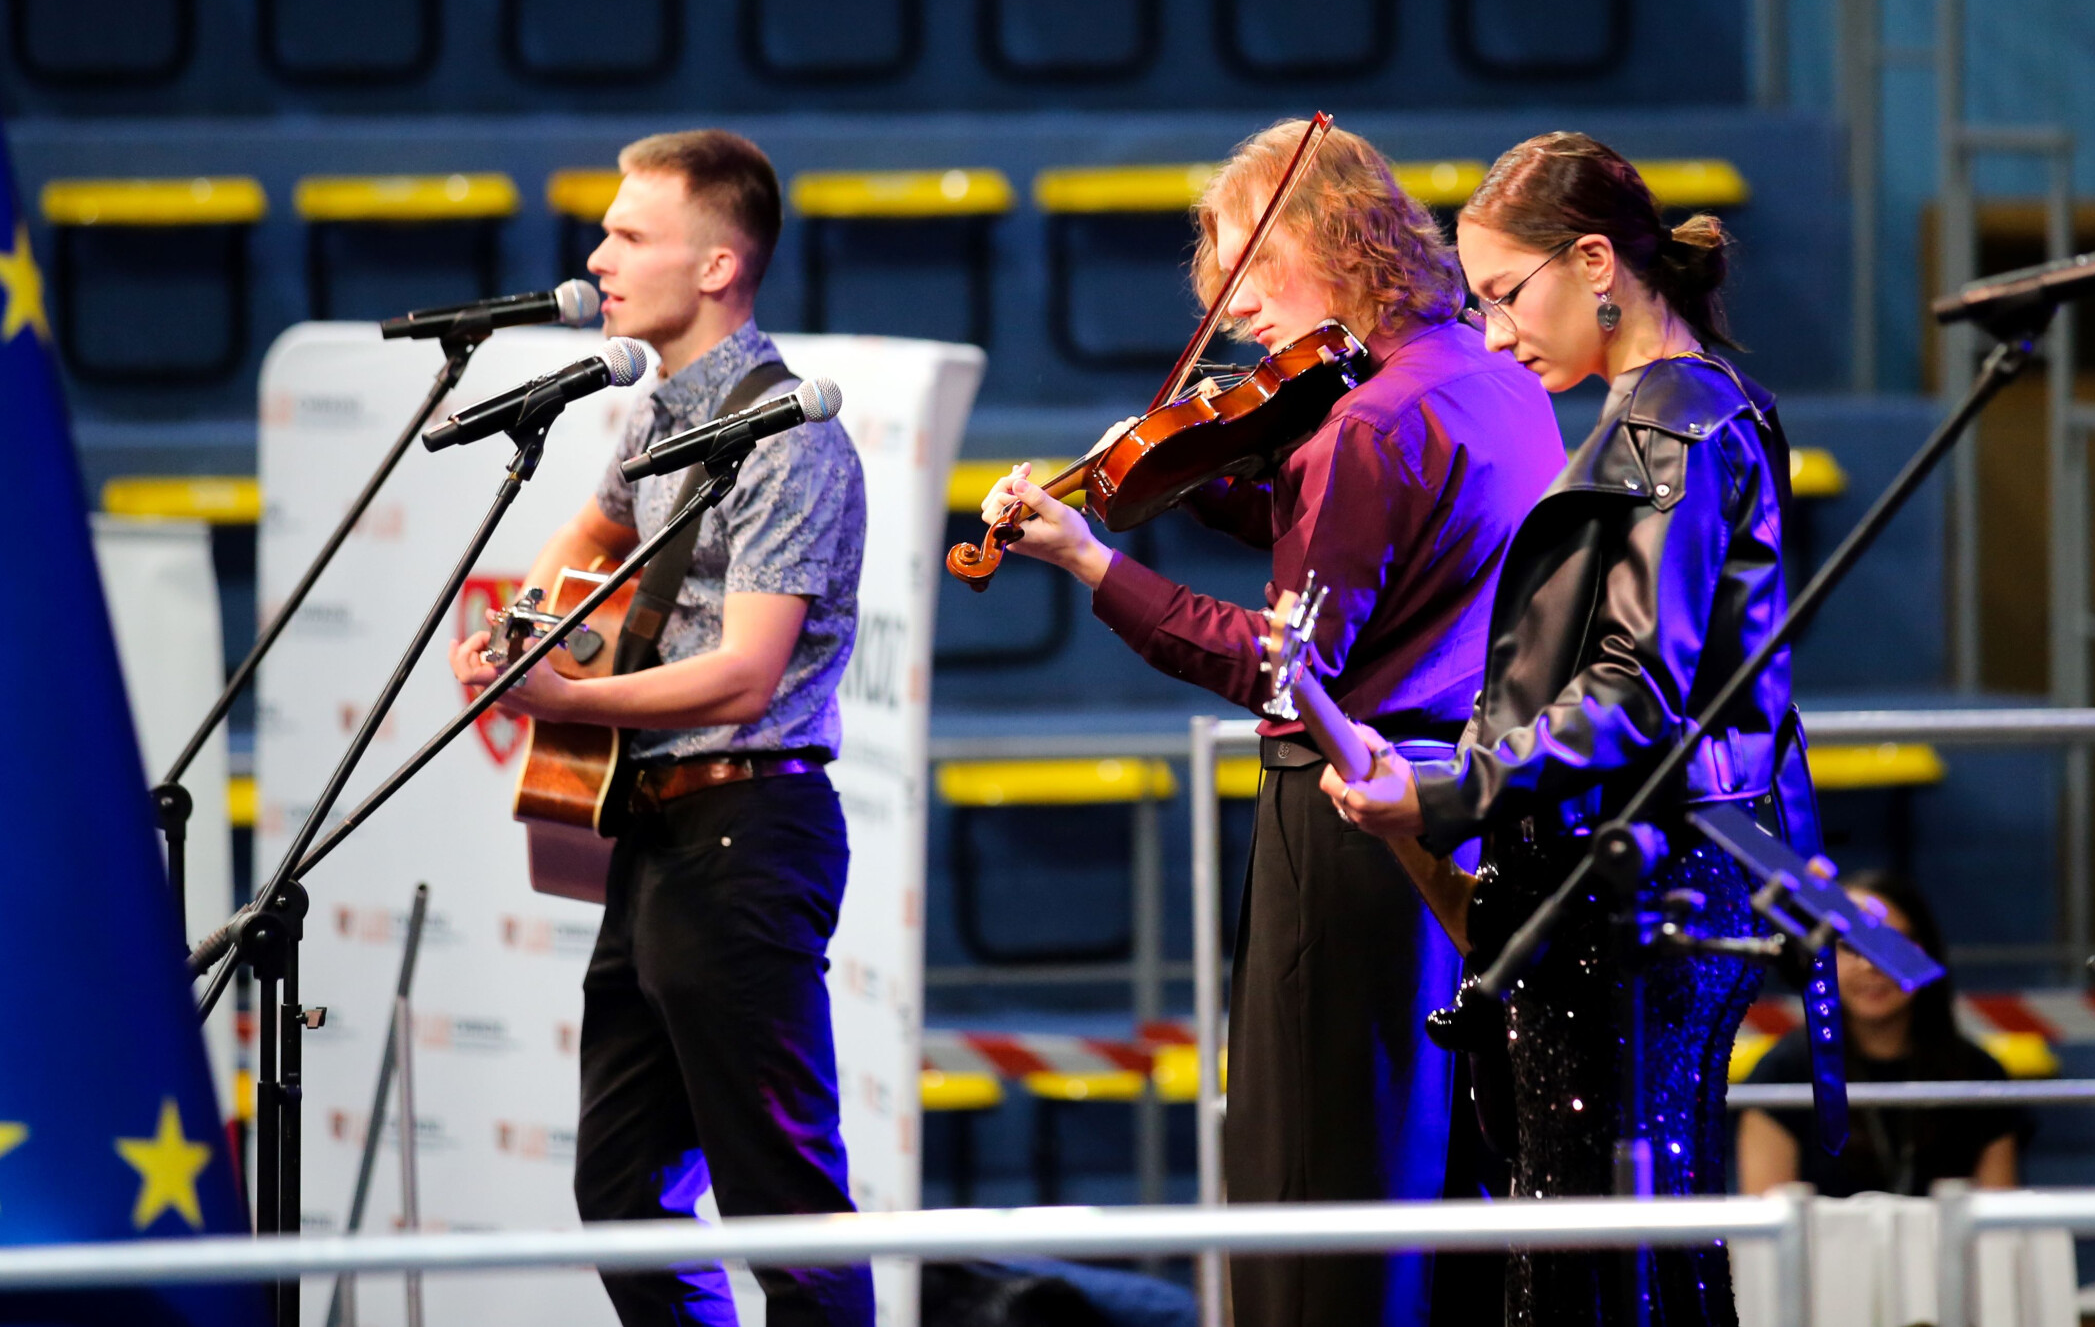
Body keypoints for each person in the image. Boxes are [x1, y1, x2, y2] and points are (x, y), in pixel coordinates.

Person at [979, 119, 1563, 1327]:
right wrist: (1203, 483)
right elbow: (1379, 555)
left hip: (1348, 823)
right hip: (1465, 801)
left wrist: (1093, 562)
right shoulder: (1492, 379)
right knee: (1433, 1175)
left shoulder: (1363, 427)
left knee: (1315, 1176)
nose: (1231, 304)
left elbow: (1287, 669)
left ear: (1336, 240)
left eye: (1251, 264)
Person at [1323, 131, 1836, 1327]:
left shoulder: (1671, 425)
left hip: (1636, 897)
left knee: (1600, 1264)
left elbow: (1634, 693)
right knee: (1621, 1251)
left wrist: (1444, 793)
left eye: (1505, 294)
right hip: (1641, 879)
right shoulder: (1685, 408)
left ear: (1595, 262)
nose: (1495, 334)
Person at [449, 129, 872, 1327]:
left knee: (782, 1197)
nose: (599, 259)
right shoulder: (654, 415)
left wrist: (568, 699)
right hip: (657, 834)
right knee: (623, 1190)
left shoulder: (789, 435)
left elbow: (744, 676)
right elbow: (594, 530)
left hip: (748, 827)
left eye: (630, 236)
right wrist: (526, 625)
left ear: (719, 266)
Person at [1738, 871, 2025, 1197]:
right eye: (1849, 946)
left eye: (1887, 944)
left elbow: (1997, 1216)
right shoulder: (1783, 1075)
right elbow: (1768, 1217)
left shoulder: (1979, 1076)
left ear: (1923, 953)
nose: (1870, 965)